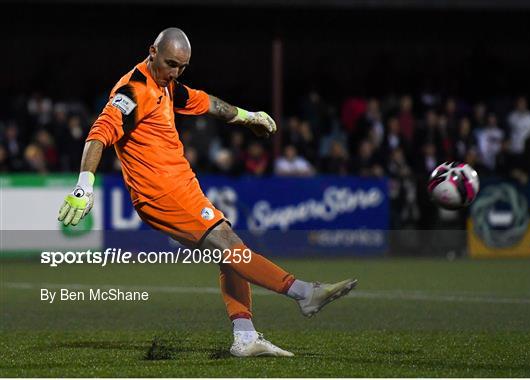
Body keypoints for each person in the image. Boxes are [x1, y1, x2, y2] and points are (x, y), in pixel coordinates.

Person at [57, 27, 357, 358]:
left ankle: (244, 336)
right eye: (171, 64)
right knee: (228, 243)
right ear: (152, 52)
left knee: (229, 251)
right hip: (161, 192)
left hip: (181, 185)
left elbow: (208, 103)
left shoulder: (168, 85)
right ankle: (303, 292)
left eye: (183, 67)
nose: (176, 72)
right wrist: (85, 184)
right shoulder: (134, 90)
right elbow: (100, 132)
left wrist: (248, 117)